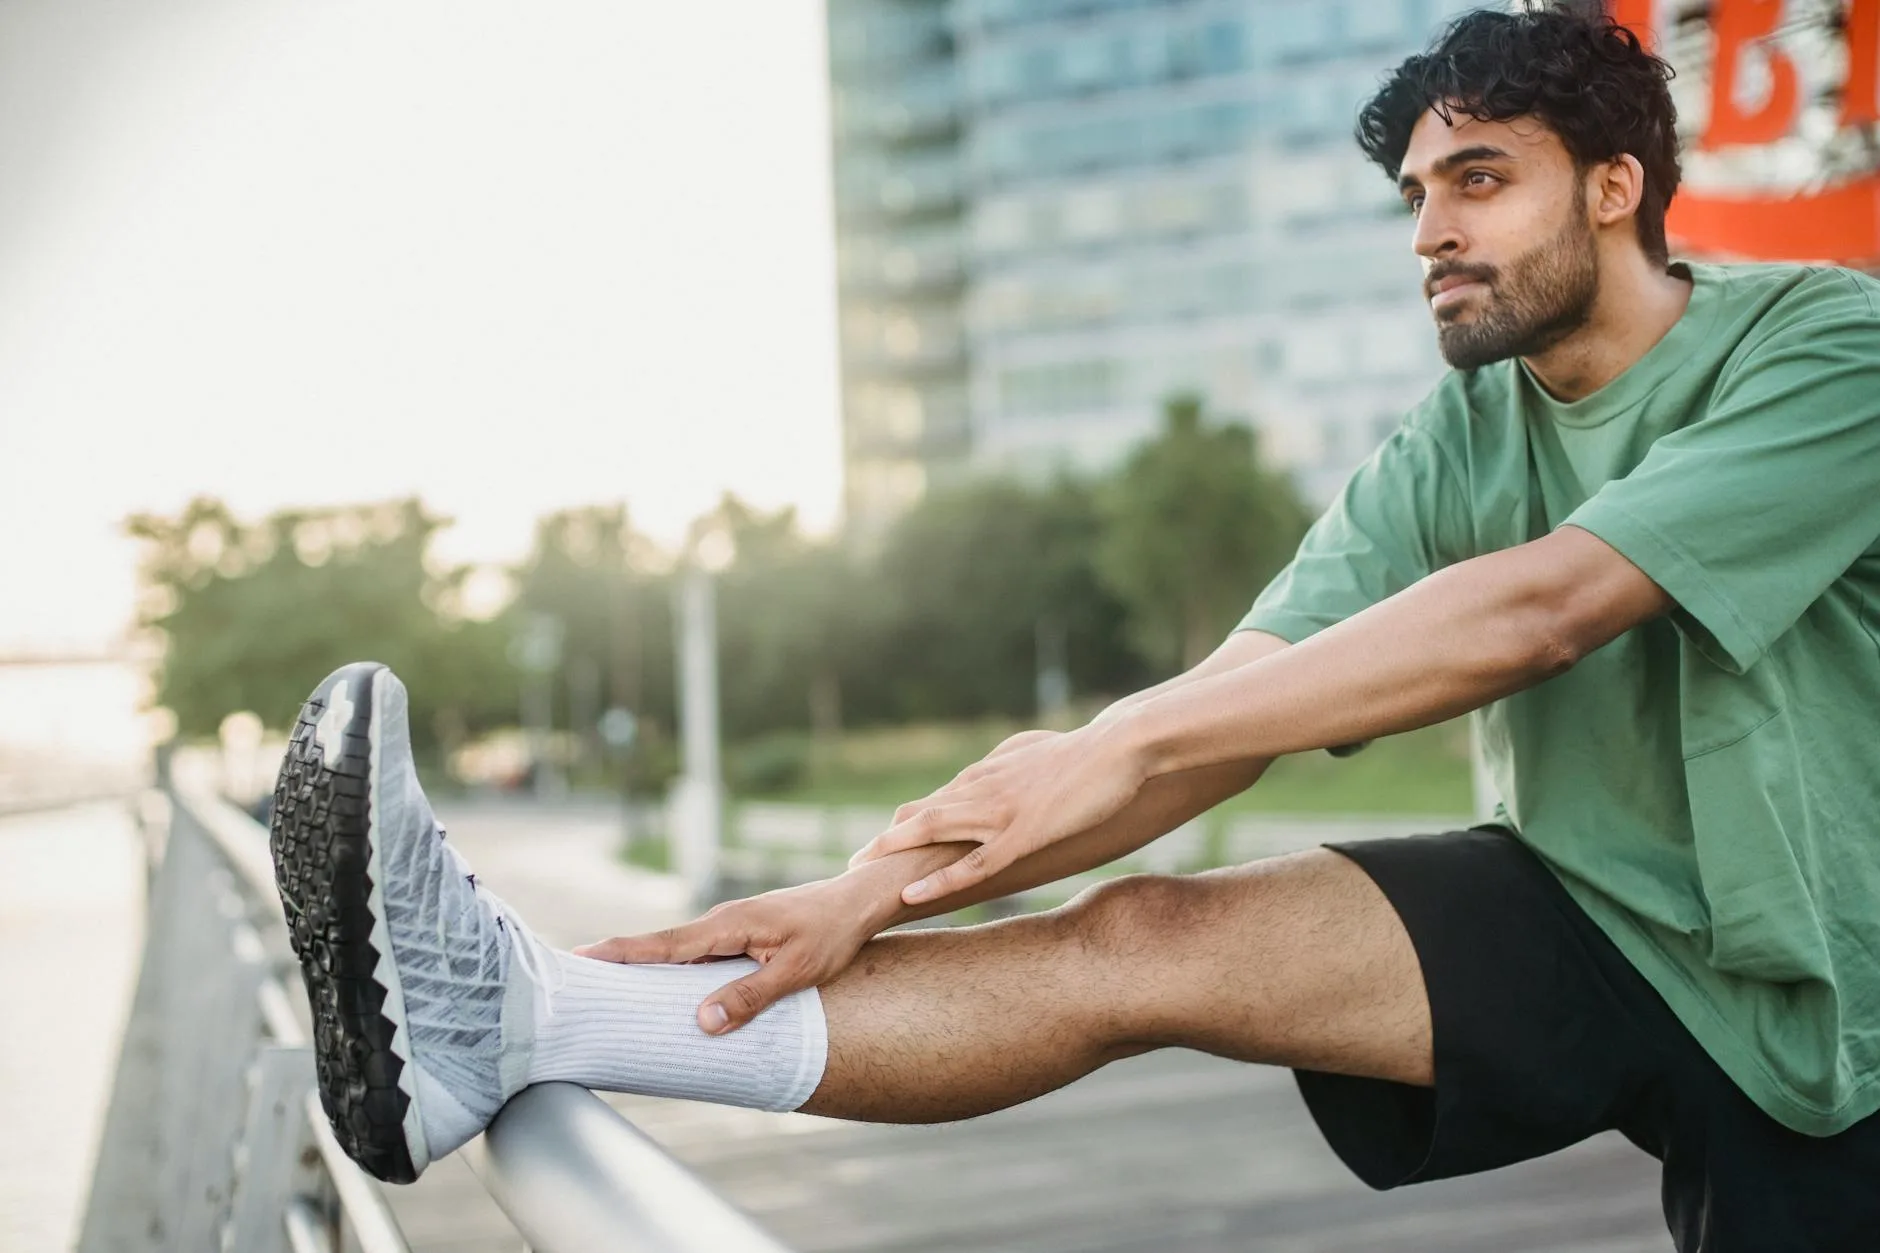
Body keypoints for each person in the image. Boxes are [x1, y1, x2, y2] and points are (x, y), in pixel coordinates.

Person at [267, 5, 1880, 1248]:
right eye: (1414, 196)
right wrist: (863, 892)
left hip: (1846, 989)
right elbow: (1215, 724)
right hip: (1603, 919)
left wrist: (1124, 740)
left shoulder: (1831, 346)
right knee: (1138, 940)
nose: (1431, 235)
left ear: (1615, 188)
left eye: (1479, 181)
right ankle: (517, 1013)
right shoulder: (1455, 445)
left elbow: (1550, 608)